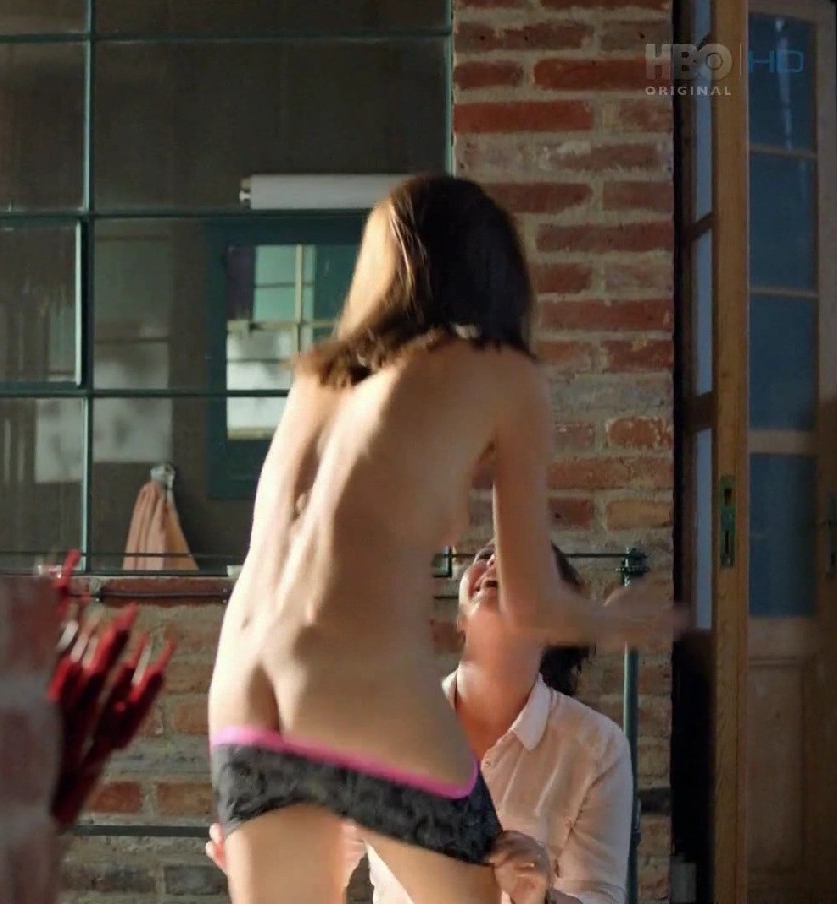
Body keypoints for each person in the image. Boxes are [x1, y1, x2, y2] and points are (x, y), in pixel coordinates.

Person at [204, 173, 678, 904]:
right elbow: (532, 602)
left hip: (241, 692)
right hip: (353, 681)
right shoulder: (504, 374)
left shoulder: (315, 383)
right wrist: (612, 619)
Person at [206, 541, 633, 904]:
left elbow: (601, 896)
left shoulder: (597, 748)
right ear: (461, 616)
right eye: (484, 556)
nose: (494, 563)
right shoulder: (385, 731)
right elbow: (324, 874)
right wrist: (263, 869)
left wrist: (541, 897)